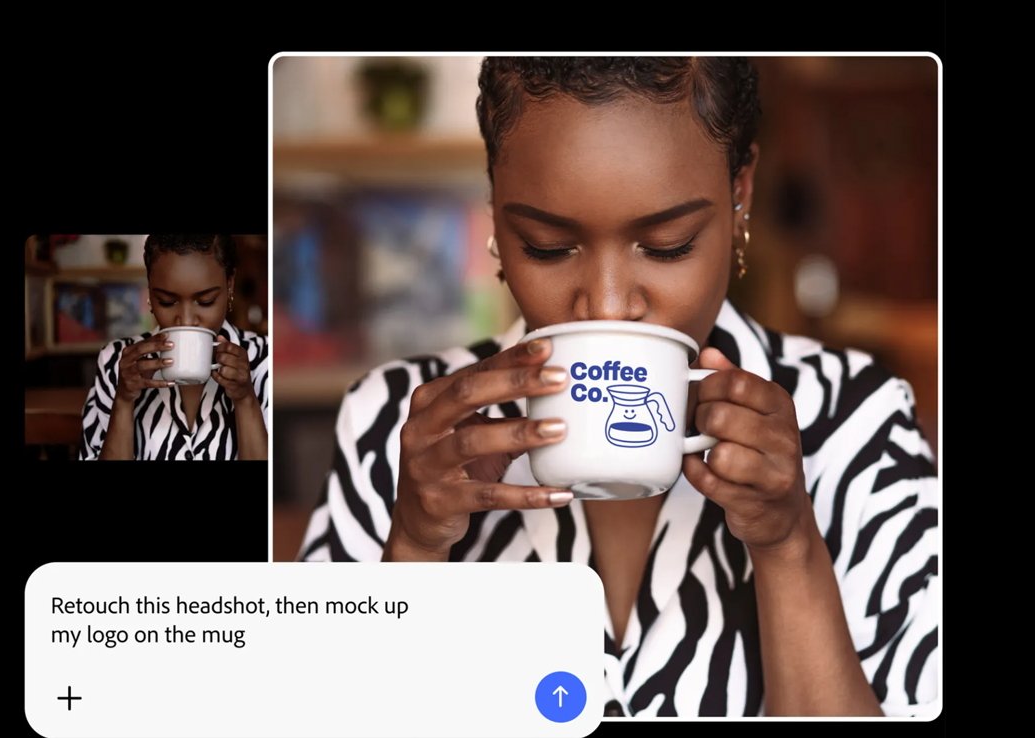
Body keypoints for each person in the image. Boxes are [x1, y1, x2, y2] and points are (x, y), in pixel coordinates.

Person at [297, 58, 938, 717]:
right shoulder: (394, 423)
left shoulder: (858, 422)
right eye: (546, 245)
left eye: (667, 244)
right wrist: (415, 547)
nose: (605, 304)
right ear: (494, 211)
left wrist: (789, 545)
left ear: (739, 191)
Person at [78, 234, 270, 460]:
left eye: (206, 301)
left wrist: (245, 399)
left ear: (230, 284)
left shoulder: (264, 358)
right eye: (167, 302)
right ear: (150, 292)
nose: (186, 320)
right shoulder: (115, 361)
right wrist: (123, 401)